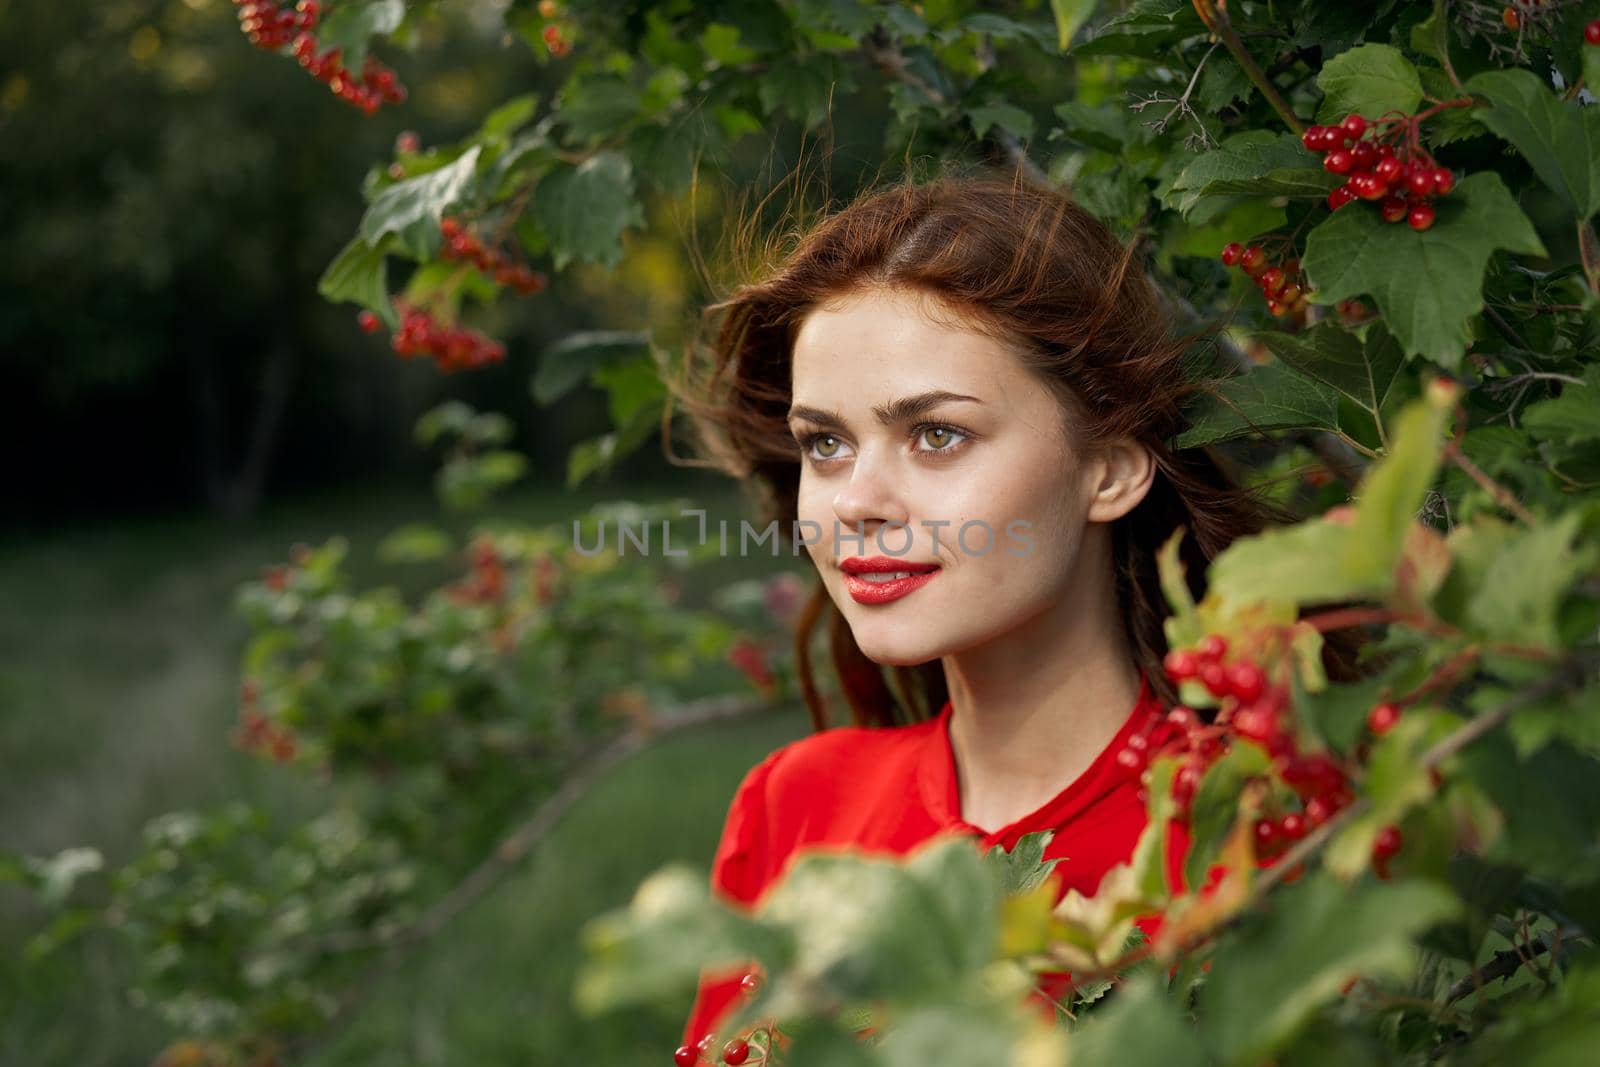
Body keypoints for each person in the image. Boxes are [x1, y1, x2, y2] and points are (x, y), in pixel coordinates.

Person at [659, 164, 1365, 1066]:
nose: (856, 501)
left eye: (936, 434)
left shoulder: (1265, 822)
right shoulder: (794, 804)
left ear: (1108, 468)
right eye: (825, 444)